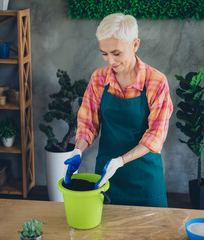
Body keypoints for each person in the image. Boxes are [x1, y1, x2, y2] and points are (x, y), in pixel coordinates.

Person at [63, 13, 173, 207]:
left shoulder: (156, 82)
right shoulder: (98, 78)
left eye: (116, 53)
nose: (110, 61)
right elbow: (88, 123)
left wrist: (121, 161)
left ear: (135, 45)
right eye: (104, 53)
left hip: (145, 178)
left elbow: (156, 135)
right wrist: (77, 151)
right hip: (106, 178)